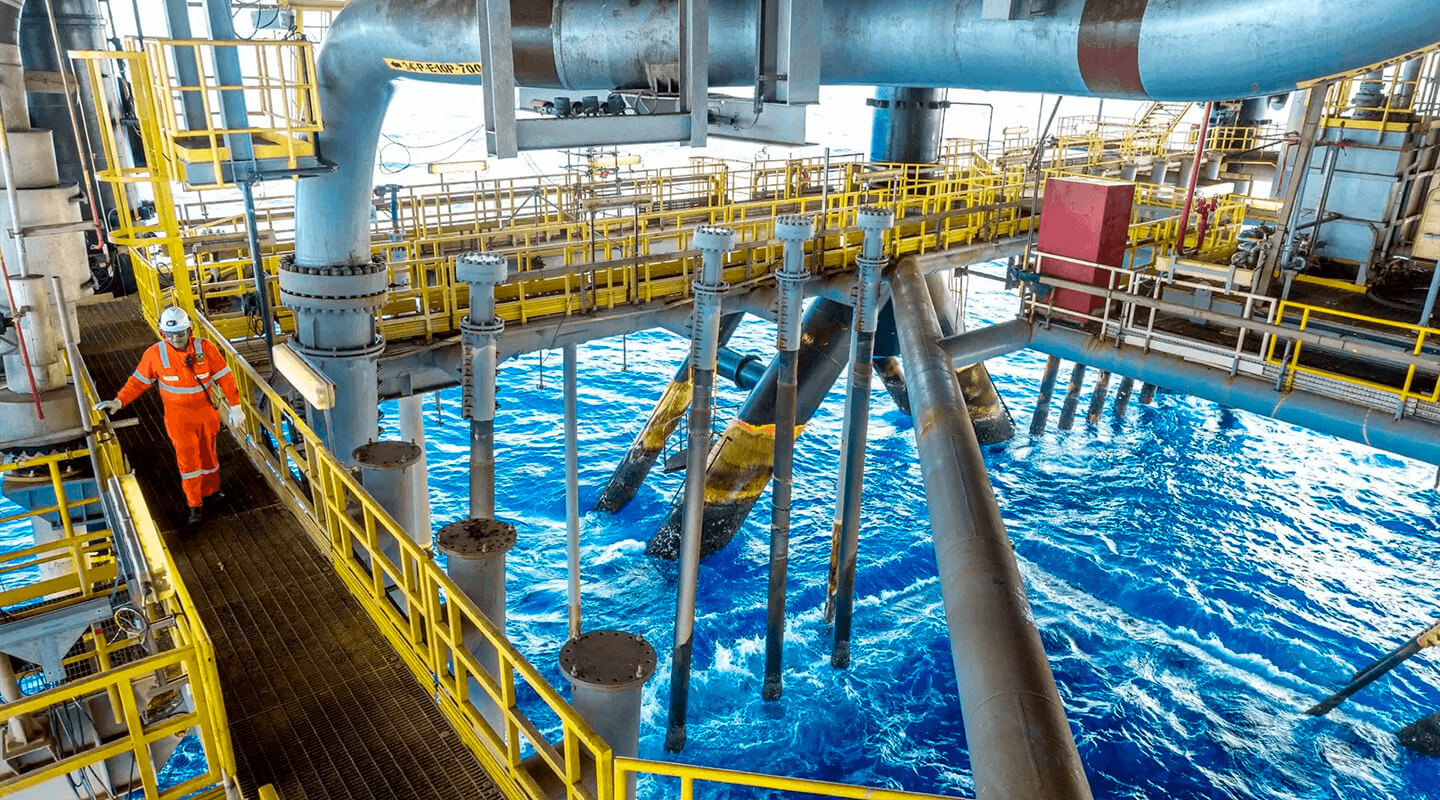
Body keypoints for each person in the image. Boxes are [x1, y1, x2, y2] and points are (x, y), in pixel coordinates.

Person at [95, 306, 244, 526]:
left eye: (180, 333)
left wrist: (236, 406)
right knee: (188, 462)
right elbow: (138, 382)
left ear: (189, 331)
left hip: (206, 414)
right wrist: (119, 401)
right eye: (170, 334)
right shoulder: (155, 355)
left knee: (209, 454)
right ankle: (195, 505)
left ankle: (211, 490)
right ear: (163, 333)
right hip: (179, 420)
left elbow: (226, 377)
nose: (175, 339)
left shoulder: (206, 349)